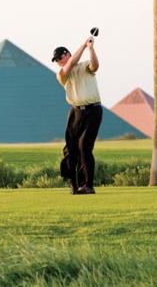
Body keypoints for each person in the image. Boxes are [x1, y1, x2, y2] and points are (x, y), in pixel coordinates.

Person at [52, 36, 102, 195]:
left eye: (61, 57)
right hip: (76, 112)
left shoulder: (84, 65)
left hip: (93, 111)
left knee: (84, 147)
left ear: (67, 54)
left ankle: (87, 185)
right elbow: (71, 63)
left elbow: (95, 65)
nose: (59, 61)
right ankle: (74, 184)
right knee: (70, 149)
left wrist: (91, 48)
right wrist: (83, 44)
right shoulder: (62, 73)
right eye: (57, 60)